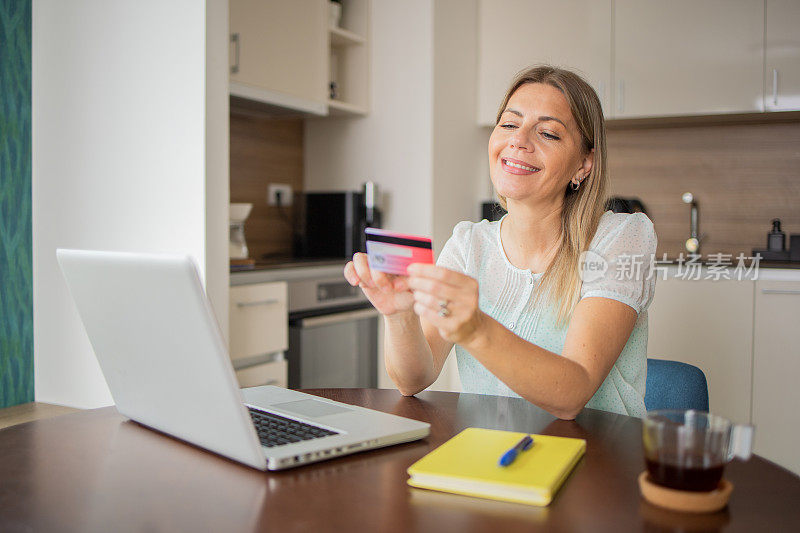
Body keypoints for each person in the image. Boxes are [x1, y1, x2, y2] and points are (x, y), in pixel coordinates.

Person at [344, 65, 656, 419]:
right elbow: (413, 379)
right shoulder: (469, 243)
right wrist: (400, 315)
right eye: (509, 124)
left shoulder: (622, 238)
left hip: (598, 459)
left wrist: (476, 328)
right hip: (493, 458)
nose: (518, 140)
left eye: (549, 134)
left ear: (584, 164)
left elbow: (573, 391)